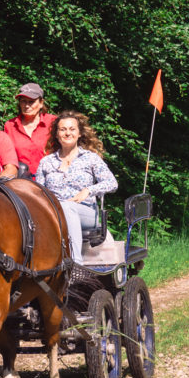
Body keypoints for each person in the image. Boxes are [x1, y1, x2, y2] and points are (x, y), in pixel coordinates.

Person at [35, 112, 117, 264]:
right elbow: (39, 192)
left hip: (85, 212)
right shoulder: (46, 162)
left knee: (67, 207)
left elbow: (112, 183)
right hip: (54, 214)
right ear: (57, 134)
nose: (67, 133)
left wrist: (88, 190)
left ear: (79, 133)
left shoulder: (90, 158)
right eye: (63, 129)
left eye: (72, 129)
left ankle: (75, 263)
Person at [3, 82, 56, 178]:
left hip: (49, 180)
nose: (27, 105)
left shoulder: (53, 122)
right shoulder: (10, 126)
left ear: (41, 103)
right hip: (20, 183)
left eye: (31, 101)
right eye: (23, 101)